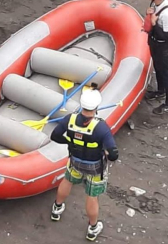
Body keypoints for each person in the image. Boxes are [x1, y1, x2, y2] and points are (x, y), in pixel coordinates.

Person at [49, 88, 119, 242]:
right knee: (92, 196)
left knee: (67, 180)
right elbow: (113, 154)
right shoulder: (101, 128)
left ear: (81, 105)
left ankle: (57, 208)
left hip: (75, 161)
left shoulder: (69, 119)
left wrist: (69, 141)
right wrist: (106, 152)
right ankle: (93, 228)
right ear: (96, 107)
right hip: (95, 167)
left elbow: (54, 136)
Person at [144, 0, 168, 114]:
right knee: (158, 68)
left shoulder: (167, 13)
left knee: (165, 73)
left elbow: (167, 35)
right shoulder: (157, 5)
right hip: (155, 43)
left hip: (162, 45)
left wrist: (154, 23)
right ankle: (160, 91)